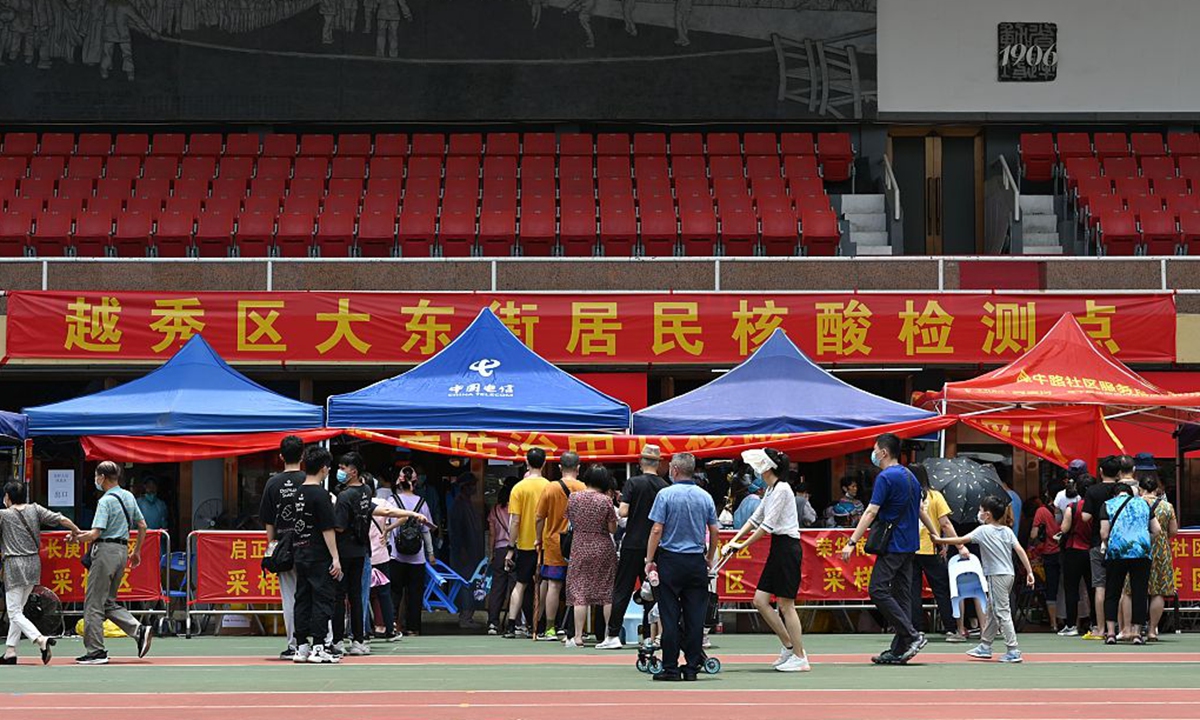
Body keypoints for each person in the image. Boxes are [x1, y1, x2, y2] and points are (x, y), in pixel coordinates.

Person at [841, 433, 939, 666]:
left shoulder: (886, 477)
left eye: (875, 450)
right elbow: (920, 511)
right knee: (902, 594)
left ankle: (912, 635)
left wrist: (852, 542)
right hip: (910, 544)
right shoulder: (910, 476)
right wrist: (934, 534)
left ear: (884, 452)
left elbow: (871, 512)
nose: (873, 454)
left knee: (877, 589)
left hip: (892, 543)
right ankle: (899, 649)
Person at [332, 452, 430, 655]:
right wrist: (412, 514)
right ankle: (359, 641)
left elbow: (338, 528)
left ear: (354, 471)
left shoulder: (343, 496)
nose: (340, 472)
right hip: (362, 551)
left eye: (343, 468)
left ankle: (338, 641)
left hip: (344, 552)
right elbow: (385, 511)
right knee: (358, 597)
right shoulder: (366, 491)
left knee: (340, 597)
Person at [726, 448, 810, 672]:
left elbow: (766, 526)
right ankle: (789, 646)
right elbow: (755, 519)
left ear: (769, 467)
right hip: (779, 547)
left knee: (786, 604)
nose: (757, 468)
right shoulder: (772, 489)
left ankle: (800, 657)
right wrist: (733, 540)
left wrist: (741, 545)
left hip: (787, 548)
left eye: (761, 464)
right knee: (760, 601)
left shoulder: (782, 489)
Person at [933, 496, 1036, 663]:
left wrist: (939, 540)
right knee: (992, 610)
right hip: (1008, 575)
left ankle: (1013, 649)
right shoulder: (1007, 530)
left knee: (1002, 612)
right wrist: (1029, 571)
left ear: (987, 515)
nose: (979, 514)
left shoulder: (983, 531)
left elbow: (961, 540)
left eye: (981, 511)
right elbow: (1019, 550)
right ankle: (985, 646)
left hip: (996, 575)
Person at [645, 452, 720, 681]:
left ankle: (670, 668)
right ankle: (691, 667)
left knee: (669, 615)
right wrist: (708, 556)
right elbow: (714, 530)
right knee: (695, 616)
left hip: (670, 560)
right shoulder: (705, 496)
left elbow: (657, 529)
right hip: (695, 560)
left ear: (675, 470)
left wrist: (650, 560)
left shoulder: (665, 495)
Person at [71, 461, 153, 665]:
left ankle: (96, 651)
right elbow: (142, 525)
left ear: (103, 478)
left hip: (105, 552)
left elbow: (95, 533)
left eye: (97, 476)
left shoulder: (105, 501)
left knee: (93, 603)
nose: (96, 480)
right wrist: (136, 551)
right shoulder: (128, 496)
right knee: (107, 601)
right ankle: (138, 630)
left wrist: (76, 538)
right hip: (122, 552)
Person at [1, 481, 82, 665]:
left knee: (13, 612)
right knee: (18, 610)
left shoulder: (4, 515)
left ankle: (40, 639)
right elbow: (60, 519)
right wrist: (75, 531)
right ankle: (10, 652)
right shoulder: (35, 509)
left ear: (8, 497)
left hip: (14, 564)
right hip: (33, 563)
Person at [602, 444, 669, 650]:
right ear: (658, 464)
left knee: (622, 588)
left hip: (632, 543)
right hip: (656, 546)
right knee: (653, 589)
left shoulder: (633, 483)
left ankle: (613, 635)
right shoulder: (665, 486)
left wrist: (623, 502)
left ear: (641, 462)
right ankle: (650, 635)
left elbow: (622, 512)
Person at [290, 446, 342, 664]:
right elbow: (327, 529)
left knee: (302, 598)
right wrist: (336, 558)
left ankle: (301, 646)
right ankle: (319, 646)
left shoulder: (297, 492)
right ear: (323, 468)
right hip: (319, 554)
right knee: (322, 600)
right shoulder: (321, 495)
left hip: (299, 552)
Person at [259, 435, 306, 660]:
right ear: (303, 455)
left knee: (289, 597)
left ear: (280, 457)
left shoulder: (272, 483)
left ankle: (294, 644)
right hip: (308, 545)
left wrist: (271, 547)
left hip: (283, 547)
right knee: (313, 594)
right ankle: (320, 642)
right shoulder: (309, 480)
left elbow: (268, 520)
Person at [908, 463, 966, 642]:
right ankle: (950, 628)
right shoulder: (935, 496)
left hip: (908, 549)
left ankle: (916, 630)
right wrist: (959, 545)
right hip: (931, 548)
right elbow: (946, 524)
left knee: (912, 591)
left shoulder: (906, 496)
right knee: (941, 590)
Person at [1100, 481, 1161, 645]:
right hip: (1141, 553)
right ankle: (1136, 633)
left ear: (1115, 493)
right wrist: (1145, 541)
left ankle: (1111, 633)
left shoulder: (1108, 505)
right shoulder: (1143, 504)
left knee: (1112, 592)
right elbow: (1157, 530)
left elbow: (1104, 533)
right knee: (1139, 592)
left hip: (1116, 553)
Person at [564, 464, 618, 648]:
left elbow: (569, 519)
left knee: (580, 592)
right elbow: (612, 528)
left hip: (579, 545)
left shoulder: (573, 497)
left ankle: (578, 636)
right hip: (603, 546)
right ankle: (607, 635)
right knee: (606, 592)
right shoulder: (606, 501)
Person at [535, 450, 586, 641]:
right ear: (578, 468)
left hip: (554, 541)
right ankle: (574, 629)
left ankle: (549, 628)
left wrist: (538, 538)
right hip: (578, 542)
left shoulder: (550, 488)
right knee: (578, 586)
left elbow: (539, 517)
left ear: (559, 467)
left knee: (554, 586)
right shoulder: (583, 488)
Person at [503, 447, 549, 639]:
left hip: (525, 544)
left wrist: (510, 548)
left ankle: (512, 625)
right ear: (544, 463)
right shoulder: (549, 486)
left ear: (527, 462)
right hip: (546, 543)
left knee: (520, 584)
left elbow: (515, 520)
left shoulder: (518, 488)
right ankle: (539, 624)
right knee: (544, 583)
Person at [386, 464, 436, 637]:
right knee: (415, 596)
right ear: (415, 482)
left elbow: (387, 526)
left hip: (396, 555)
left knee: (394, 592)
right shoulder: (422, 503)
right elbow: (426, 530)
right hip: (417, 557)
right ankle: (413, 628)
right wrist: (430, 554)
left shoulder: (392, 501)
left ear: (399, 481)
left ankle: (392, 624)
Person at [1080, 456, 1121, 641]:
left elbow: (1085, 517)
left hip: (1098, 541)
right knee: (1120, 586)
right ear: (1119, 472)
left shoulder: (1093, 491)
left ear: (1101, 471)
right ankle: (1121, 626)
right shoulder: (1123, 491)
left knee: (1100, 586)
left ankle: (1101, 627)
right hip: (1121, 543)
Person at [1140, 473, 1178, 642]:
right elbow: (1173, 531)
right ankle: (1152, 629)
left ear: (1140, 488)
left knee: (1134, 589)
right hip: (1161, 550)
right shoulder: (1167, 507)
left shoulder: (1136, 504)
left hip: (1139, 548)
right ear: (1157, 489)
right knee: (1158, 591)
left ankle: (1134, 627)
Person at [1058, 474, 1094, 637]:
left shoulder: (1072, 507)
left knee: (1071, 589)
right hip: (1092, 551)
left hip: (1074, 550)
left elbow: (1064, 529)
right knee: (1093, 588)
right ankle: (1095, 623)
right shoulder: (1098, 507)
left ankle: (1071, 625)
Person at [449, 472, 485, 629]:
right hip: (464, 552)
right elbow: (457, 531)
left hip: (470, 551)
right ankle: (465, 616)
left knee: (469, 582)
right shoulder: (459, 504)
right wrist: (462, 550)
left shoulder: (466, 503)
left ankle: (467, 615)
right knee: (466, 583)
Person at [486, 477, 518, 636]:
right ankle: (516, 622)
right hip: (515, 549)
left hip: (499, 550)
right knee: (515, 586)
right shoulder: (518, 508)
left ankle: (493, 622)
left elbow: (492, 534)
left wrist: (491, 553)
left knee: (497, 587)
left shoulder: (495, 510)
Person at [1028, 491, 1063, 632]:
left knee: (1051, 588)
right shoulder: (1070, 506)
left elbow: (1033, 534)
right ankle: (1072, 622)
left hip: (1049, 553)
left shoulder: (1041, 511)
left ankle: (1053, 623)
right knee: (1070, 587)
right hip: (1066, 552)